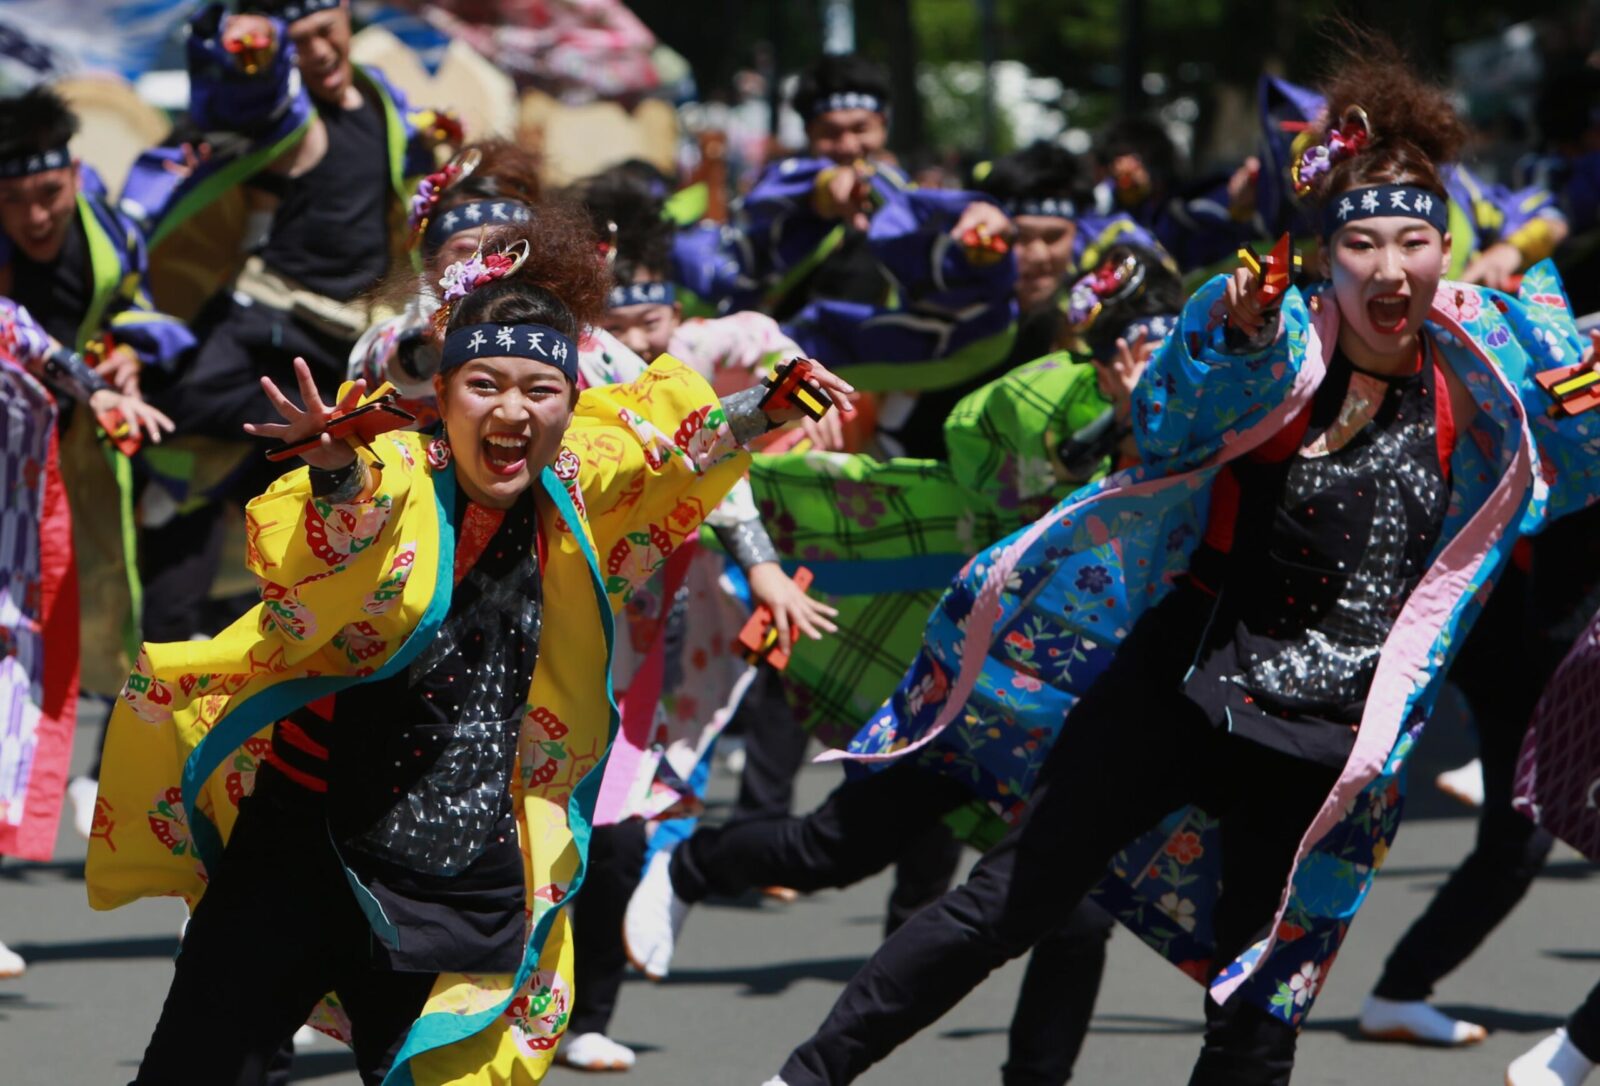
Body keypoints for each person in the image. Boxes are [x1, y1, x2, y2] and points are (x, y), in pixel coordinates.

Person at [749, 43, 1600, 1086]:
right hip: (1179, 684)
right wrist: (1230, 340)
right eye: (1362, 243)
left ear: (1443, 252)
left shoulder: (1493, 363)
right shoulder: (1273, 340)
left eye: (1413, 242)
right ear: (1327, 256)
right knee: (1010, 901)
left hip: (1326, 746)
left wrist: (1583, 399)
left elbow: (1574, 456)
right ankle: (801, 1077)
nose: (1388, 267)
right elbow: (1161, 424)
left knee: (1256, 1014)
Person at [84, 209, 853, 1085]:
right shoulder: (402, 470)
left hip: (461, 853)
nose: (513, 410)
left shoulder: (573, 474)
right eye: (484, 385)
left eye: (540, 390)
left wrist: (768, 405)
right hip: (302, 833)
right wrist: (336, 468)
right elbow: (342, 527)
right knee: (195, 1068)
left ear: (571, 401)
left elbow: (671, 449)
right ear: (441, 395)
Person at [623, 244, 1179, 1085]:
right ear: (1092, 359)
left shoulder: (1218, 418)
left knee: (1077, 916)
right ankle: (693, 865)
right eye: (1121, 359)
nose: (1141, 371)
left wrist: (1162, 419)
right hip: (981, 689)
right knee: (838, 846)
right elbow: (983, 456)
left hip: (1090, 721)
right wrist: (1112, 431)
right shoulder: (1047, 400)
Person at [125, 0, 447, 645]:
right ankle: (200, 478)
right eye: (297, 44)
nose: (320, 53)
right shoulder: (286, 109)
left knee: (333, 462)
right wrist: (239, 46)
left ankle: (251, 485)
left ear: (348, 20)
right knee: (181, 395)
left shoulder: (381, 101)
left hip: (350, 332)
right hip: (269, 312)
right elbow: (236, 100)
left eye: (326, 33)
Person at [0, 84, 193, 836]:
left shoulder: (109, 233)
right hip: (13, 452)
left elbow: (131, 311)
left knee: (106, 595)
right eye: (12, 200)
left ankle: (93, 761)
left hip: (85, 447)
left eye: (47, 193)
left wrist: (128, 359)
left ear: (74, 176)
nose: (35, 216)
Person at [0, 300, 169, 978]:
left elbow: (55, 360)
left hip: (12, 568)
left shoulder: (7, 320)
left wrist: (100, 391)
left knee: (7, 737)